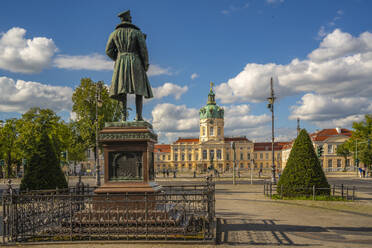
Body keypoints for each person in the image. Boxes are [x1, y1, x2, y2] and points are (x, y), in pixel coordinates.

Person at [105, 10, 153, 121]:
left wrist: (118, 58)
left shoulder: (114, 33)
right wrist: (145, 64)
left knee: (122, 89)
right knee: (139, 90)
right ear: (129, 19)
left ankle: (123, 118)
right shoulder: (137, 33)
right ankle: (139, 116)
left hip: (121, 62)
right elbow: (143, 50)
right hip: (135, 61)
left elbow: (108, 50)